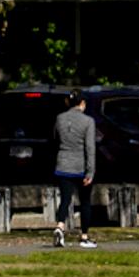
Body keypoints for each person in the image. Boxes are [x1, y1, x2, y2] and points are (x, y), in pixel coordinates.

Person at [50, 93, 95, 249]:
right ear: (82, 103)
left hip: (63, 165)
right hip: (80, 166)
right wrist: (90, 171)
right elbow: (90, 147)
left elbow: (55, 139)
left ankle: (60, 226)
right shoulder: (88, 121)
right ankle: (84, 236)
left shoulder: (60, 118)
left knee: (65, 199)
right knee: (85, 202)